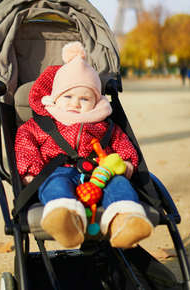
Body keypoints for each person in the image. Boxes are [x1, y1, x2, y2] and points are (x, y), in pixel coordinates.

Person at [15, 41, 153, 249]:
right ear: (56, 97)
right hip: (57, 170)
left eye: (85, 98)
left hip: (100, 173)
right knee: (56, 185)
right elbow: (25, 142)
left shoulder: (103, 124)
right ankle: (66, 219)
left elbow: (121, 142)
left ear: (96, 101)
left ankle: (125, 220)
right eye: (68, 96)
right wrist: (31, 172)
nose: (75, 103)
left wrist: (126, 163)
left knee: (120, 185)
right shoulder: (41, 123)